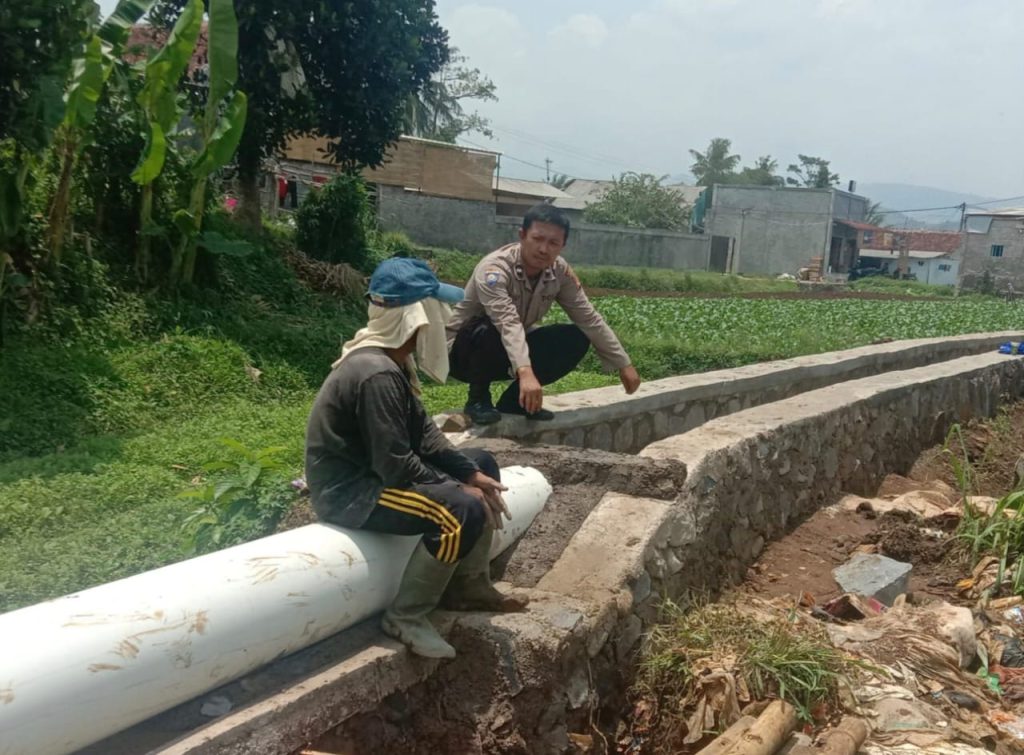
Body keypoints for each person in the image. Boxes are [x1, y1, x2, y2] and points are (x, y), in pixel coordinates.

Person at [305, 258, 527, 660]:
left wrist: (470, 473)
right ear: (415, 316)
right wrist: (456, 489)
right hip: (354, 491)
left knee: (483, 464)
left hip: (377, 473)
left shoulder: (393, 359)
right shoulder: (376, 373)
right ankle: (407, 616)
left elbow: (426, 436)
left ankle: (469, 585)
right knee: (460, 509)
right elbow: (394, 463)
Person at [447, 202, 642, 424]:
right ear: (522, 235)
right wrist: (526, 373)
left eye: (553, 243)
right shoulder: (494, 270)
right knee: (487, 327)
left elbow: (588, 317)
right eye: (538, 239)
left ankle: (516, 403)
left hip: (510, 350)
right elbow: (507, 322)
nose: (543, 249)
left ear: (562, 245)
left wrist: (623, 364)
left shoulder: (559, 272)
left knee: (575, 337)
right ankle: (478, 399)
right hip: (463, 353)